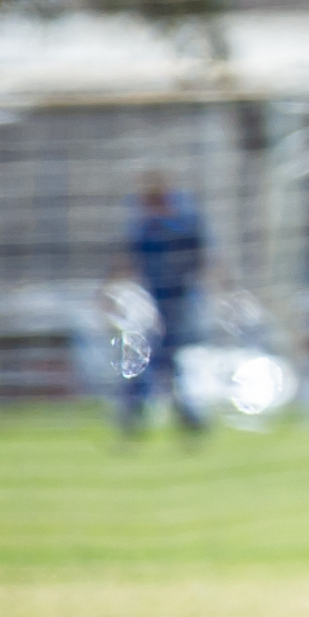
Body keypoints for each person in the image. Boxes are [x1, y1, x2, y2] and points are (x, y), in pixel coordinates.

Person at [114, 174, 208, 438]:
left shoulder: (182, 225)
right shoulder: (145, 228)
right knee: (159, 359)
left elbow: (201, 257)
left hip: (178, 302)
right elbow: (128, 259)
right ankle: (182, 414)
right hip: (150, 303)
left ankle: (138, 410)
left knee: (161, 358)